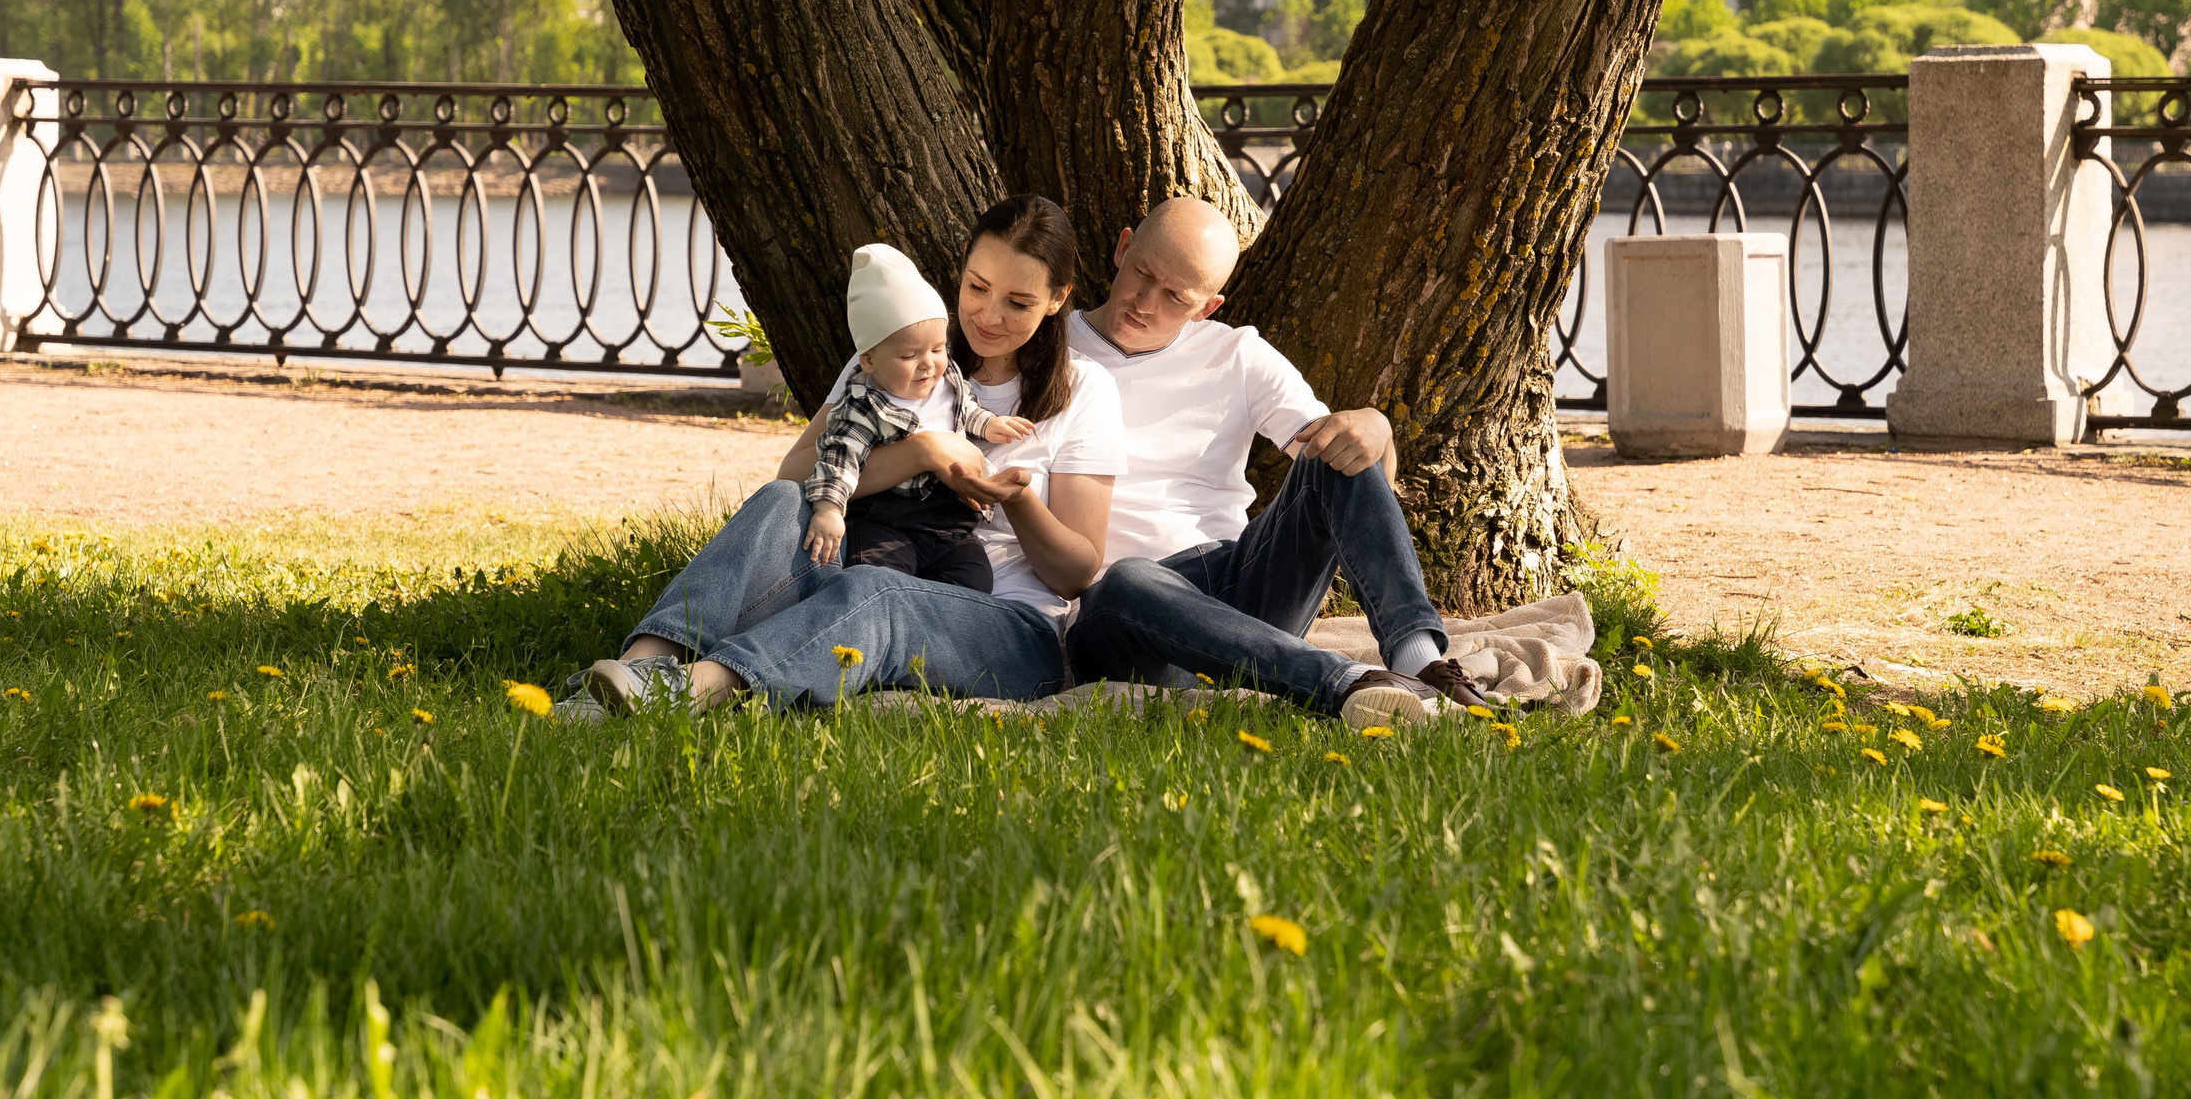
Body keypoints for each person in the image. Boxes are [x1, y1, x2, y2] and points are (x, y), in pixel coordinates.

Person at [562, 194, 1121, 718]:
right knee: (784, 501)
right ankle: (632, 672)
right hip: (873, 556)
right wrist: (921, 450)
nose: (989, 316)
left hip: (1007, 628)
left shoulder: (1082, 388)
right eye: (977, 288)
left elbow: (1076, 571)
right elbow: (796, 473)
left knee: (876, 590)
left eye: (1018, 302)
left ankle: (692, 690)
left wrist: (1016, 498)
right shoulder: (900, 351)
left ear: (1058, 298)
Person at [1061, 197, 1501, 728]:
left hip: (1239, 588)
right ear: (1122, 246)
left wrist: (1377, 429)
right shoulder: (1047, 351)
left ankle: (1422, 665)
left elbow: (1359, 478)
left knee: (1337, 442)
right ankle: (1348, 683)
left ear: (1207, 307)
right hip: (1123, 616)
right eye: (1143, 273)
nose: (1146, 302)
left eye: (1176, 296)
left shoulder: (1237, 355)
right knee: (1131, 579)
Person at [801, 243, 1033, 591]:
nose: (929, 364)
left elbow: (963, 409)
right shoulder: (865, 405)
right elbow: (839, 457)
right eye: (910, 355)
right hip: (887, 521)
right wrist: (829, 510)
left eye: (938, 349)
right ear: (868, 360)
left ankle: (936, 637)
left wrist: (988, 423)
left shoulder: (946, 379)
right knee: (878, 581)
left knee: (973, 582)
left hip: (950, 524)